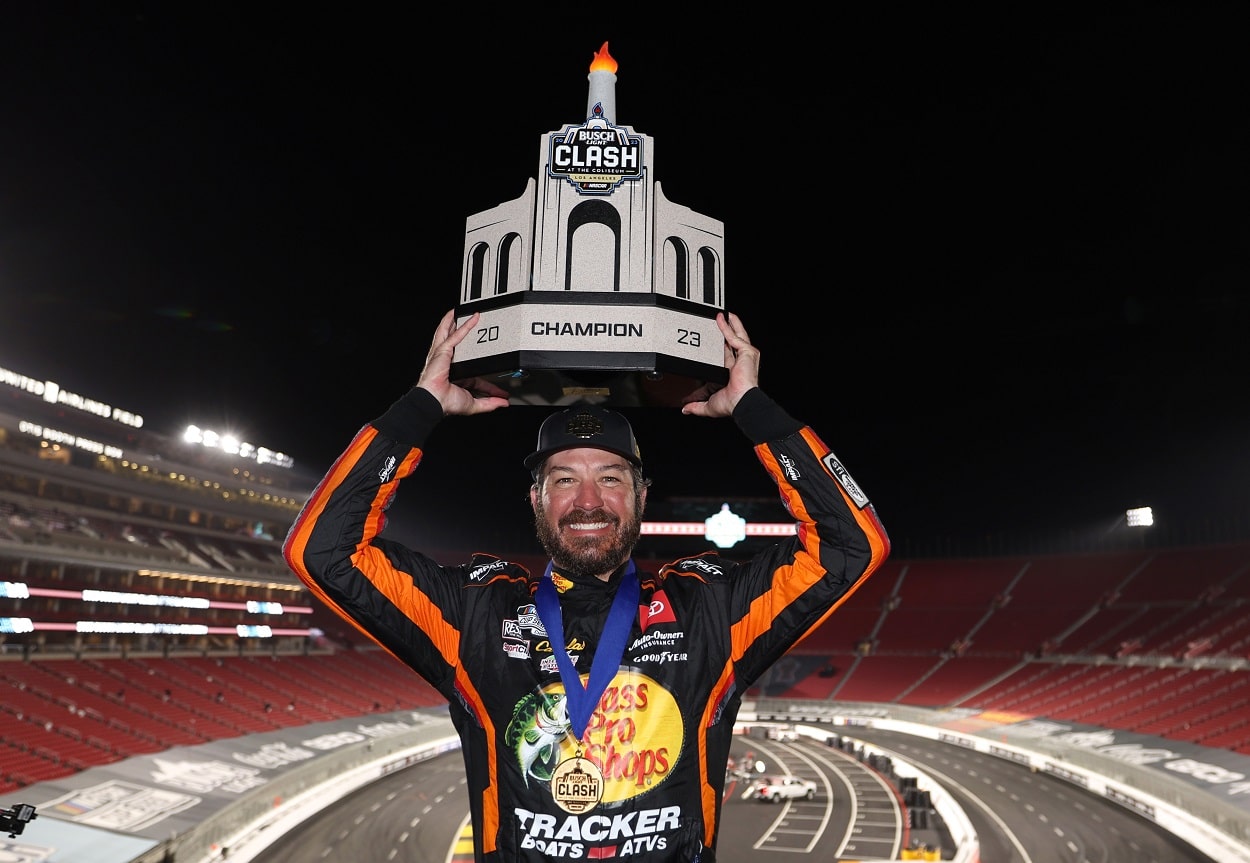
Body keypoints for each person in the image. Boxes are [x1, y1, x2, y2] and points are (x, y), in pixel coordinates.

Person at [283, 309, 890, 863]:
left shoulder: (709, 607)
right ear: (536, 499)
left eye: (612, 478)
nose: (589, 502)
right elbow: (323, 550)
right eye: (565, 479)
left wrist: (756, 409)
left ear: (641, 496)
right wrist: (418, 408)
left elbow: (851, 546)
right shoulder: (475, 613)